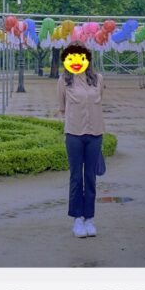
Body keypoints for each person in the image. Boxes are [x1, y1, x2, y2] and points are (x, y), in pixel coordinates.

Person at [56, 42, 105, 238]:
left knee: (90, 177)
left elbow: (99, 101)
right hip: (74, 134)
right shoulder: (64, 81)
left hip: (95, 134)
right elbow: (61, 107)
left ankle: (89, 218)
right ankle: (77, 218)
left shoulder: (98, 79)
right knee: (76, 177)